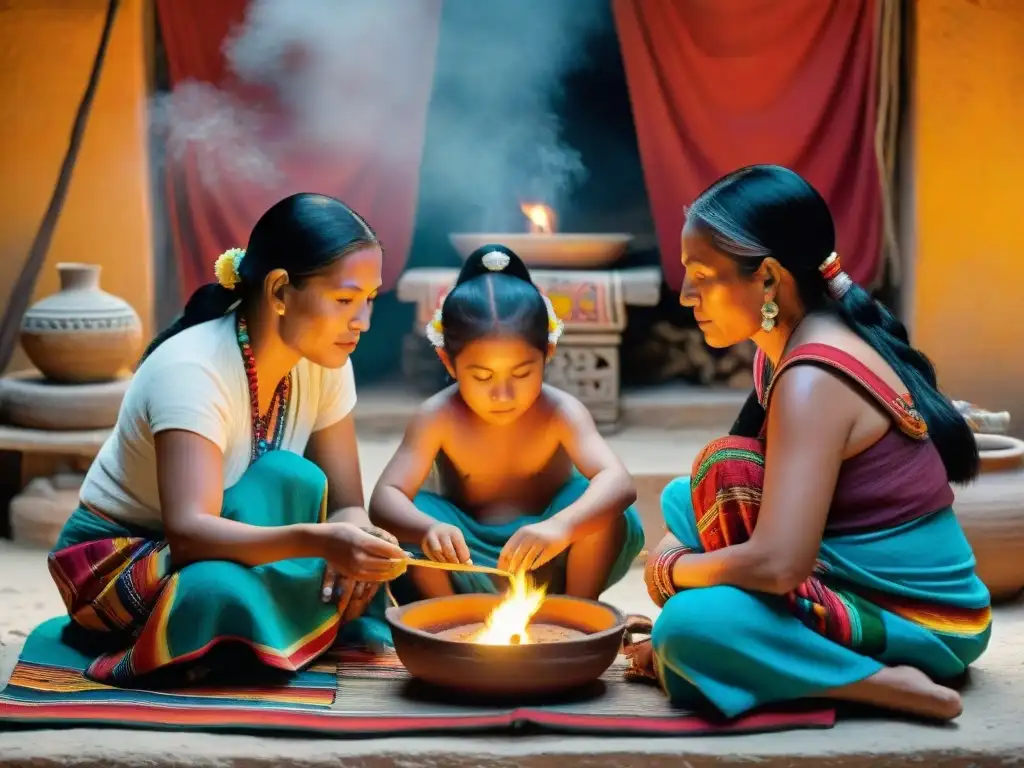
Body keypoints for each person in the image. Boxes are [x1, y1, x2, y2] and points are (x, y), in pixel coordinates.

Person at [626, 165, 990, 722]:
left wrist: (670, 573)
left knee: (687, 628)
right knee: (690, 491)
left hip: (925, 618)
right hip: (836, 566)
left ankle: (877, 683)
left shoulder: (811, 379)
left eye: (702, 274)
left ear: (769, 279)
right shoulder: (784, 348)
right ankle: (772, 638)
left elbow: (778, 567)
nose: (687, 296)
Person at [47, 193, 407, 685]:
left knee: (291, 479)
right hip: (128, 564)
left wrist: (354, 546)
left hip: (227, 544)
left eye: (369, 299)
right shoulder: (192, 370)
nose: (362, 321)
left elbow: (346, 504)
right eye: (345, 300)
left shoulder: (327, 361)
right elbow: (190, 534)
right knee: (215, 589)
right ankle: (244, 627)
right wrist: (322, 542)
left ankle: (247, 631)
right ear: (280, 291)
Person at [368, 244, 645, 608]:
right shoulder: (438, 416)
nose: (502, 393)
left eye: (522, 373)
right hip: (466, 560)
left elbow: (619, 482)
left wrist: (560, 527)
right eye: (481, 376)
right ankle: (450, 617)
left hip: (548, 553)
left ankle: (577, 612)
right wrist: (429, 529)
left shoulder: (561, 411)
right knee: (414, 513)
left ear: (548, 351)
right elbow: (385, 497)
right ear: (448, 362)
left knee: (600, 507)